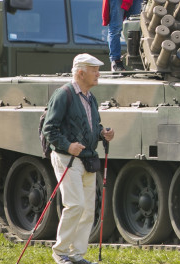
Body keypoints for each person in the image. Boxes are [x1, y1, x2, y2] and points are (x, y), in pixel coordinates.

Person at [43, 54, 115, 264]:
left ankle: (77, 254)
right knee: (75, 205)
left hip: (87, 160)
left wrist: (102, 133)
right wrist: (68, 146)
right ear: (81, 73)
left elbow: (91, 126)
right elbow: (50, 129)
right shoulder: (63, 94)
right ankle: (60, 252)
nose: (98, 74)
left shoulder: (90, 97)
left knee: (88, 210)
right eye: (94, 70)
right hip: (68, 159)